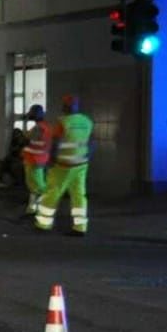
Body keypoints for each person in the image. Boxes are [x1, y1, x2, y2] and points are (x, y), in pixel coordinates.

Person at [35, 94, 95, 236]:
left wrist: (51, 160)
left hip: (63, 165)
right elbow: (92, 142)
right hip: (81, 164)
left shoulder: (63, 122)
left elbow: (55, 142)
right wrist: (87, 156)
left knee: (52, 193)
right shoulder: (87, 121)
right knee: (79, 195)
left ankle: (43, 224)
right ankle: (80, 227)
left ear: (65, 106)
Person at [19, 104, 50, 219]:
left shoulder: (39, 127)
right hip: (36, 160)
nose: (30, 115)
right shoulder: (43, 126)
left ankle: (45, 208)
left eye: (31, 113)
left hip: (35, 160)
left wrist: (26, 121)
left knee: (39, 186)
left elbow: (25, 140)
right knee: (33, 186)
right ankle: (32, 209)